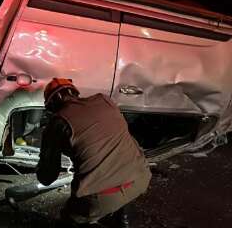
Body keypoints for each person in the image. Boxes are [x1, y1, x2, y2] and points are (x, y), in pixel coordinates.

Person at [37, 78, 151, 227]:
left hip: (100, 198)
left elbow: (47, 177)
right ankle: (122, 219)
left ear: (53, 103)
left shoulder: (58, 122)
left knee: (69, 217)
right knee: (120, 172)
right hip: (140, 178)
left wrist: (47, 154)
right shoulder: (105, 100)